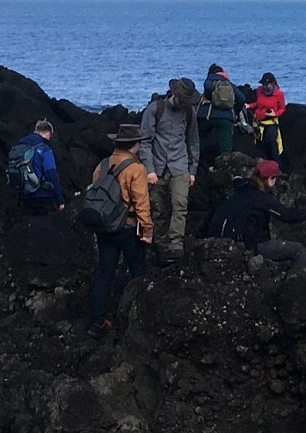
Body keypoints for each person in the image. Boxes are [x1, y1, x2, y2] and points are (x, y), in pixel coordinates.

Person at [87, 122, 152, 336]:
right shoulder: (137, 169)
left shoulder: (102, 165)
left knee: (105, 274)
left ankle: (97, 321)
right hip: (128, 227)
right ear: (135, 144)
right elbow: (141, 204)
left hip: (104, 226)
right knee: (138, 274)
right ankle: (137, 318)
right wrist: (147, 233)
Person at [205, 159, 306, 267]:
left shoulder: (241, 188)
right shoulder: (261, 199)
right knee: (298, 250)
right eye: (275, 179)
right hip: (251, 246)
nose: (275, 183)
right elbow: (290, 216)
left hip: (227, 241)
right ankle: (296, 285)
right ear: (269, 178)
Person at [140, 77, 200, 259]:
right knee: (158, 209)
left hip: (180, 165)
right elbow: (145, 142)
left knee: (180, 205)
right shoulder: (154, 109)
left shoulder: (190, 113)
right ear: (174, 94)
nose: (184, 104)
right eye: (183, 100)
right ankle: (160, 244)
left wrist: (192, 171)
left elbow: (193, 142)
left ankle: (176, 245)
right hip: (157, 166)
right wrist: (149, 169)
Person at [8, 120, 64, 214]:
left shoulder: (21, 145)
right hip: (42, 195)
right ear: (47, 133)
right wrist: (60, 200)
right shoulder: (44, 148)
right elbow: (51, 174)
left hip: (23, 192)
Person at [198, 65, 243, 164]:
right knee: (226, 145)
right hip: (225, 118)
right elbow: (241, 98)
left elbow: (207, 90)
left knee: (200, 138)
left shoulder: (209, 81)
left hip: (207, 116)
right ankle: (225, 165)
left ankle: (200, 162)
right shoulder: (229, 84)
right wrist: (235, 112)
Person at [247, 72, 286, 166]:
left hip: (271, 122)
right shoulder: (259, 90)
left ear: (273, 84)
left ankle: (277, 166)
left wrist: (274, 113)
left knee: (271, 142)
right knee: (259, 145)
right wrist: (249, 106)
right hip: (258, 122)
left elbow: (282, 109)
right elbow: (258, 104)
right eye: (263, 84)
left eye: (266, 84)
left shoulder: (279, 94)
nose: (264, 86)